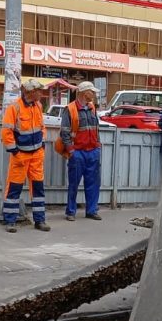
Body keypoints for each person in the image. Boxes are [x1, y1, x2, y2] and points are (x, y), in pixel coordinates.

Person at [1, 79, 50, 233]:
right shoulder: (14, 108)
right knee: (14, 189)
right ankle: (10, 221)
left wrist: (41, 145)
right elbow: (6, 133)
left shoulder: (38, 106)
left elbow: (42, 127)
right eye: (39, 91)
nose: (41, 94)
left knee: (38, 189)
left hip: (36, 155)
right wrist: (15, 152)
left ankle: (40, 220)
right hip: (20, 155)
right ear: (30, 92)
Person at [61, 81, 102, 221]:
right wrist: (71, 150)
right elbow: (65, 132)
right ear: (85, 93)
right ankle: (70, 212)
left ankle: (91, 210)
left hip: (92, 151)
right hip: (77, 152)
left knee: (93, 182)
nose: (95, 94)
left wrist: (97, 146)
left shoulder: (92, 108)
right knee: (74, 183)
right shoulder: (70, 109)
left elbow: (96, 129)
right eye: (93, 92)